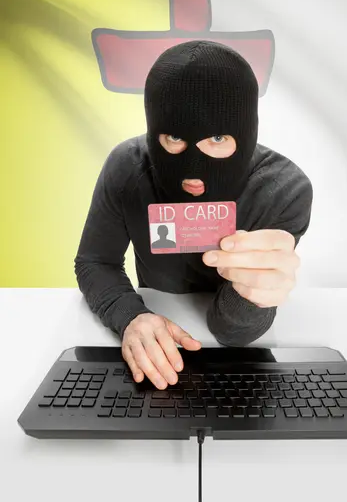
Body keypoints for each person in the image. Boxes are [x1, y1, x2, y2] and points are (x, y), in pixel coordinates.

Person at [74, 40, 313, 391]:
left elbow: (232, 332)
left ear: (245, 133)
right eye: (173, 137)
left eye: (217, 137)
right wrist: (131, 317)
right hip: (152, 344)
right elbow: (94, 261)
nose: (193, 169)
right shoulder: (127, 166)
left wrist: (252, 295)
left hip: (240, 362)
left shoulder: (282, 189)